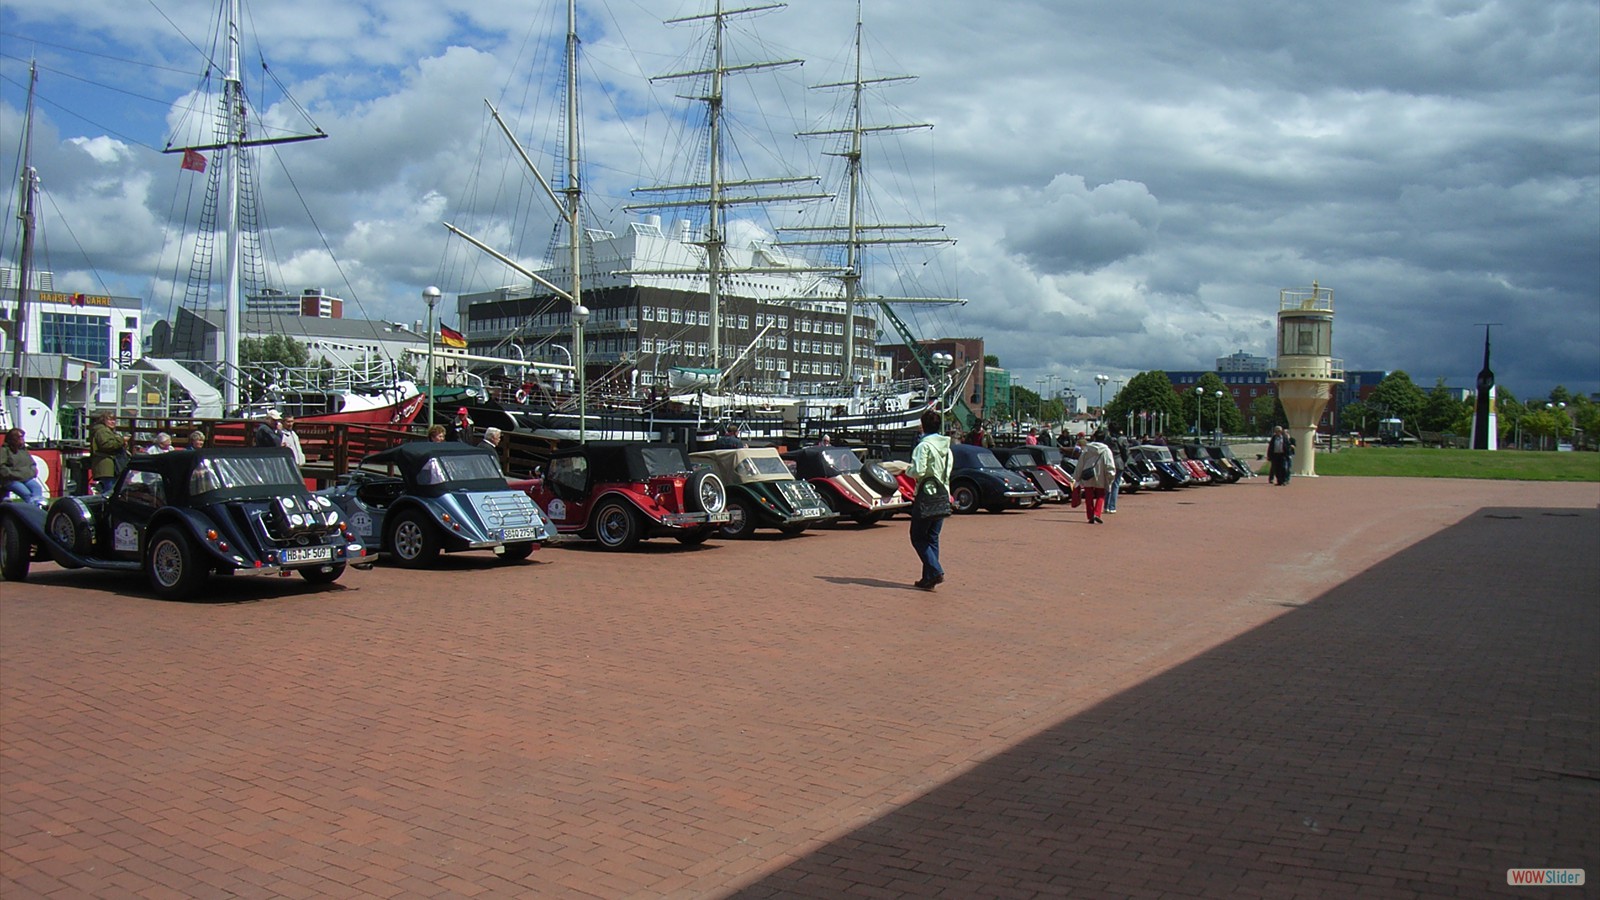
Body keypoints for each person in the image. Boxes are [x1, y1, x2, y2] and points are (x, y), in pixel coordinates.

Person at [907, 409, 953, 591]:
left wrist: (906, 470)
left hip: (927, 496)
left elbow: (918, 471)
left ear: (923, 426)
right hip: (943, 494)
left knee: (917, 536)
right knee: (932, 537)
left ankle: (935, 571)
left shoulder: (923, 446)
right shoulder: (947, 448)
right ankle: (928, 578)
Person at [1076, 434, 1116, 524]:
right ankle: (1097, 514)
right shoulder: (1106, 450)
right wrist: (1110, 476)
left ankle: (1090, 515)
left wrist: (1077, 477)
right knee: (1101, 495)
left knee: (1088, 495)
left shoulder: (1087, 449)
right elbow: (1110, 465)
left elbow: (1080, 463)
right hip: (1100, 474)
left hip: (1087, 473)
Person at [0, 428, 45, 505]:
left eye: (22, 437)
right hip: (11, 480)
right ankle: (31, 511)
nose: (22, 439)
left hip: (26, 478)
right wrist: (12, 474)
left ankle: (37, 508)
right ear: (13, 438)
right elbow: (2, 467)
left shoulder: (23, 450)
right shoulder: (4, 450)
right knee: (27, 494)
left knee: (37, 488)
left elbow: (32, 463)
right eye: (19, 437)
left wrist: (33, 472)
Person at [86, 410, 126, 493]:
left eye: (114, 420)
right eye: (110, 420)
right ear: (103, 420)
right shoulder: (102, 431)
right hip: (106, 465)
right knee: (109, 492)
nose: (113, 422)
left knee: (110, 489)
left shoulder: (107, 430)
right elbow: (106, 445)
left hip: (109, 466)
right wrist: (122, 440)